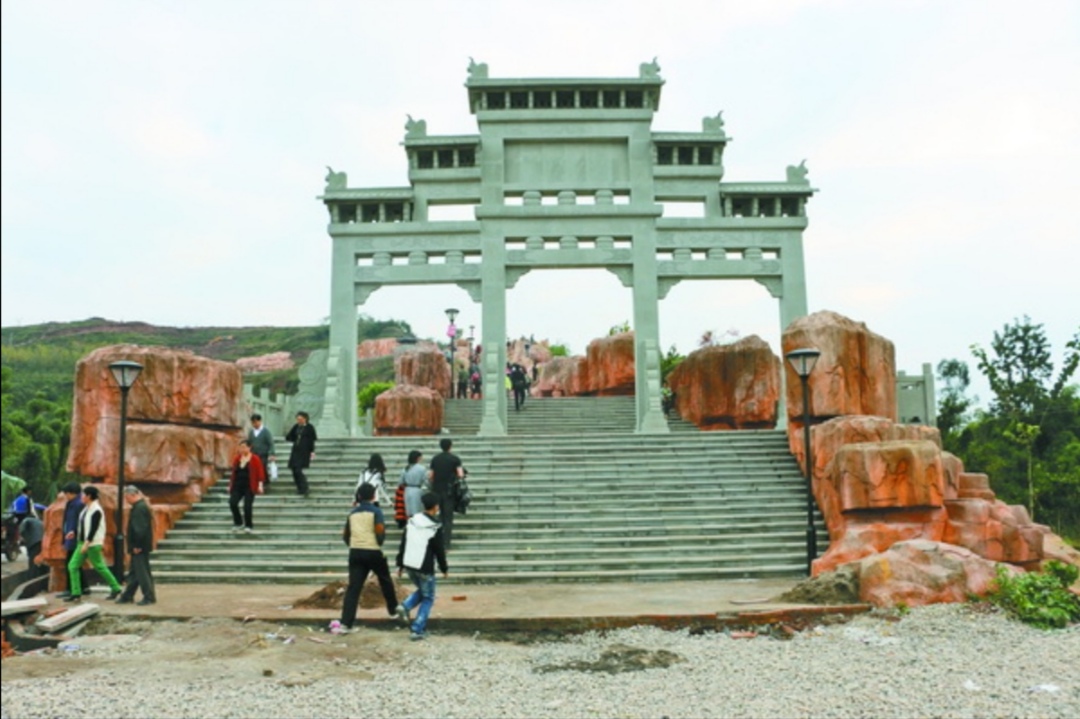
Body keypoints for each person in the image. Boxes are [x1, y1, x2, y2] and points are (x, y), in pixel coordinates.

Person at [331, 483, 405, 635]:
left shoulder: (352, 514)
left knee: (354, 588)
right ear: (373, 496)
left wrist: (354, 544)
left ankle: (346, 623)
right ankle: (393, 611)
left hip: (355, 552)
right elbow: (380, 532)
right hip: (372, 551)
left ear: (358, 497)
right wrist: (378, 543)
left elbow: (346, 535)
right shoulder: (376, 511)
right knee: (385, 581)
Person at [395, 492, 448, 641]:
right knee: (428, 597)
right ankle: (417, 629)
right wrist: (444, 568)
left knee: (424, 591)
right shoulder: (434, 527)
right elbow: (439, 551)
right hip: (425, 566)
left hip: (410, 564)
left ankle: (405, 606)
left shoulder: (412, 521)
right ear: (436, 507)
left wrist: (400, 564)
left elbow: (403, 543)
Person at [66, 485, 123, 603]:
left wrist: (87, 543)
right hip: (82, 542)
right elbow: (83, 525)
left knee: (99, 566)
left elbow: (93, 528)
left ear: (89, 496)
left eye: (83, 495)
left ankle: (116, 587)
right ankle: (76, 592)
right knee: (73, 566)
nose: (81, 497)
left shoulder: (96, 510)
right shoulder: (87, 508)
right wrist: (75, 532)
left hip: (92, 543)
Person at [116, 487, 156, 605]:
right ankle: (127, 595)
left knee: (142, 571)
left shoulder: (139, 508)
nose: (126, 499)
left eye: (126, 497)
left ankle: (149, 596)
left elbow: (139, 529)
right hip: (139, 545)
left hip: (139, 546)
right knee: (134, 572)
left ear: (131, 495)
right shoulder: (141, 507)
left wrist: (137, 545)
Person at [427, 438, 463, 550]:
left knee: (438, 517)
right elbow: (460, 474)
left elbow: (431, 476)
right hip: (449, 492)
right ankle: (446, 543)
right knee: (448, 518)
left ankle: (438, 540)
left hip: (436, 491)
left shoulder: (435, 459)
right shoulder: (455, 459)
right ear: (450, 446)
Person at [229, 439, 266, 534]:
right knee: (232, 503)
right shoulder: (237, 458)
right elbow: (233, 473)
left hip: (249, 486)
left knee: (247, 506)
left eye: (244, 447)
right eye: (241, 447)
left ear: (249, 447)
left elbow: (260, 473)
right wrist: (230, 485)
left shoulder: (255, 459)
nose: (242, 449)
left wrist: (260, 485)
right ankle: (238, 522)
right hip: (238, 485)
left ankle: (248, 525)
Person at [58, 482, 87, 598]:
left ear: (72, 493)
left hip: (74, 538)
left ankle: (71, 589)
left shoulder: (78, 504)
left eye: (66, 493)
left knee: (71, 564)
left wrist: (73, 532)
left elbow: (80, 522)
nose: (65, 496)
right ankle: (83, 586)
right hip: (70, 536)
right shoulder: (71, 503)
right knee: (76, 564)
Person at [285, 411, 317, 497]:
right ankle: (299, 488)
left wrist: (312, 451)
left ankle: (304, 487)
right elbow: (289, 437)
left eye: (300, 419)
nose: (298, 421)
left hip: (304, 452)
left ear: (305, 419)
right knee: (294, 470)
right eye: (297, 419)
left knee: (298, 470)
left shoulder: (310, 428)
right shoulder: (296, 427)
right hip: (295, 451)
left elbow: (312, 440)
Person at [247, 413, 276, 490]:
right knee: (255, 469)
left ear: (260, 421)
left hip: (263, 454)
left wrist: (272, 453)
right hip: (254, 454)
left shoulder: (266, 432)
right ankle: (257, 484)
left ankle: (265, 483)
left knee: (262, 468)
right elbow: (249, 443)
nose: (255, 424)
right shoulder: (251, 432)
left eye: (256, 422)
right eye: (253, 422)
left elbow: (271, 443)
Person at [399, 450, 427, 519]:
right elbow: (426, 480)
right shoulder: (422, 468)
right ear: (418, 458)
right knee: (417, 510)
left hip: (407, 490)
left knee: (409, 511)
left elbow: (401, 482)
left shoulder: (405, 468)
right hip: (417, 490)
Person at [18, 512, 44, 578]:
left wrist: (23, 537)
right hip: (43, 541)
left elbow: (22, 529)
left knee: (32, 561)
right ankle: (39, 574)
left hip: (34, 542)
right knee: (39, 559)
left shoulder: (26, 519)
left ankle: (31, 577)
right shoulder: (40, 521)